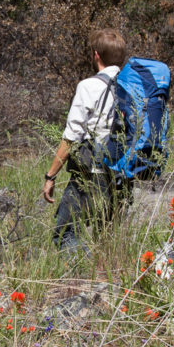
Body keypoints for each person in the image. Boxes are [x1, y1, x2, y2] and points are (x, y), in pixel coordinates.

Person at [42, 28, 132, 255]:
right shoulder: (132, 88)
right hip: (123, 175)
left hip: (91, 175)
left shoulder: (88, 87)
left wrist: (50, 176)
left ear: (96, 55)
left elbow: (71, 137)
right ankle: (107, 280)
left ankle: (82, 284)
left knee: (64, 235)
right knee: (107, 241)